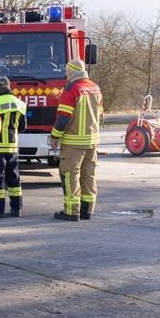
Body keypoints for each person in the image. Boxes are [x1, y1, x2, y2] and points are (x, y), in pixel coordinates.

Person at [50, 59, 104, 221]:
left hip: (74, 142)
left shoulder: (72, 89)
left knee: (70, 174)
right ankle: (87, 210)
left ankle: (71, 211)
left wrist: (54, 136)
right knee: (89, 175)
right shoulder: (95, 87)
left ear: (72, 72)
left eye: (67, 71)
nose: (66, 75)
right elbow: (101, 116)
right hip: (92, 141)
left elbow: (63, 118)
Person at [0, 76, 27, 218]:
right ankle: (17, 208)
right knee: (14, 177)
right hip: (13, 147)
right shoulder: (20, 104)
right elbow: (23, 127)